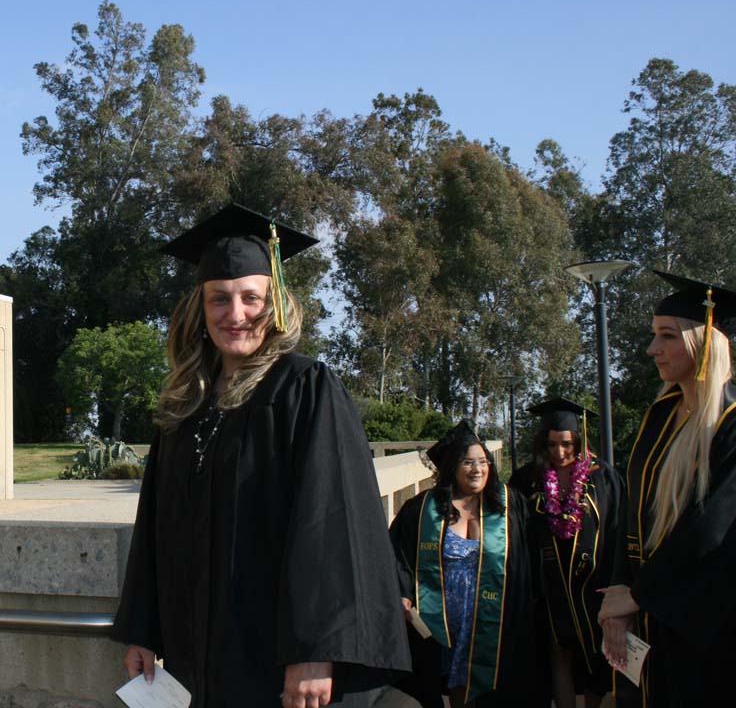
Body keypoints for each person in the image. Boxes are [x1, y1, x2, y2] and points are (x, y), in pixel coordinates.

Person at [111, 204, 411, 708]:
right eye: (219, 299)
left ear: (275, 304)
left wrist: (315, 651)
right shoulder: (186, 403)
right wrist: (145, 629)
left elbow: (330, 523)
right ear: (199, 308)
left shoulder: (304, 388)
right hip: (195, 651)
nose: (236, 314)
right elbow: (156, 525)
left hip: (273, 654)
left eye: (252, 297)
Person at [599, 271, 736, 707]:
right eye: (654, 335)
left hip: (704, 621)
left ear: (704, 342)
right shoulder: (661, 416)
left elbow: (709, 529)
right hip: (651, 613)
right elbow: (631, 514)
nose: (652, 349)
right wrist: (620, 592)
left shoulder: (730, 424)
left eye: (667, 336)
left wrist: (638, 596)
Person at [389, 421, 539, 708]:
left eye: (483, 462)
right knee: (454, 686)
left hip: (491, 616)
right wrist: (403, 592)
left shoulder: (508, 506)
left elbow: (526, 556)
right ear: (451, 467)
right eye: (467, 462)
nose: (477, 469)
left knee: (488, 688)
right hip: (444, 621)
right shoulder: (423, 509)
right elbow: (399, 553)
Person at [509, 398, 624, 708]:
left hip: (593, 585)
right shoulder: (526, 481)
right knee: (557, 650)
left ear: (579, 441)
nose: (559, 452)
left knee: (598, 658)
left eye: (567, 444)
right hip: (549, 586)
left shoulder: (602, 478)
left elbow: (616, 529)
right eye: (551, 445)